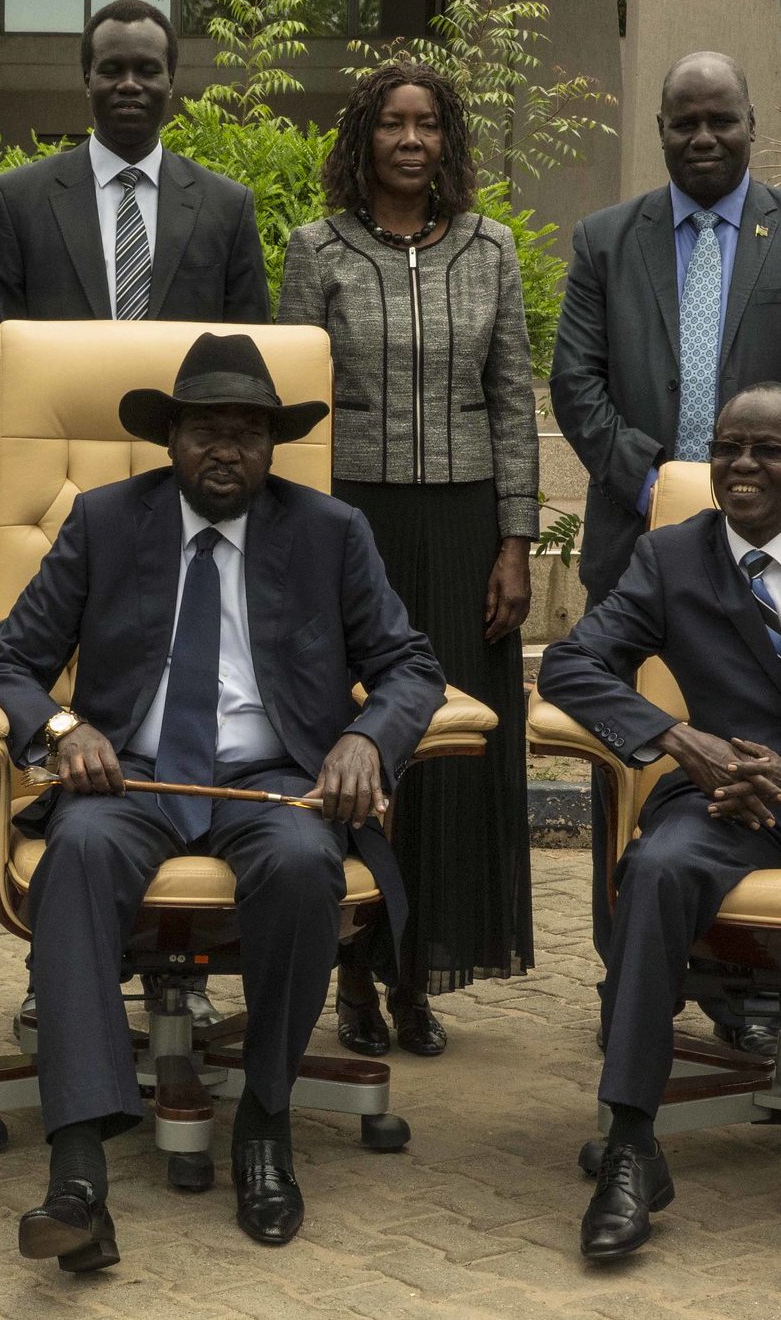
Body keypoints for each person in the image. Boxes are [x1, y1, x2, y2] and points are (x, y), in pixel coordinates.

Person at [0, 331, 445, 1268]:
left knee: (307, 863)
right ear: (170, 440)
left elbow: (408, 665)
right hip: (132, 773)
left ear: (272, 446)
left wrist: (362, 738)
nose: (224, 451)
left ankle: (264, 1125)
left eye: (246, 434)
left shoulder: (327, 531)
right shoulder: (107, 520)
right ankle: (76, 1179)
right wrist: (65, 733)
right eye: (203, 433)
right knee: (79, 852)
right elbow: (7, 659)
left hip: (275, 779)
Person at [277, 59, 537, 1057]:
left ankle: (421, 972)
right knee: (353, 745)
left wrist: (516, 543)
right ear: (364, 137)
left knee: (447, 757)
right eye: (393, 123)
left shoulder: (495, 251)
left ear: (450, 140)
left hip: (467, 528)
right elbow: (295, 412)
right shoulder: (318, 251)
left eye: (430, 124)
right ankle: (351, 969)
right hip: (352, 527)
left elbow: (513, 403)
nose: (412, 140)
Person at [551, 51, 781, 1051]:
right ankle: (633, 997)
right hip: (646, 542)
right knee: (632, 781)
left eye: (719, 121)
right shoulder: (608, 239)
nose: (701, 137)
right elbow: (577, 382)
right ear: (659, 129)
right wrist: (660, 490)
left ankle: (748, 992)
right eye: (682, 122)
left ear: (750, 125)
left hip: (773, 520)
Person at [538, 383, 781, 1260]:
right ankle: (632, 1143)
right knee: (653, 867)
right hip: (722, 803)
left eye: (766, 449)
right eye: (727, 447)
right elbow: (570, 664)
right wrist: (680, 739)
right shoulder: (672, 556)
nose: (742, 464)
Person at [0, 0, 269, 324]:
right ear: (87, 79)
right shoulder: (16, 202)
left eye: (148, 70)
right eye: (112, 69)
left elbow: (250, 343)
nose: (130, 84)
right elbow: (3, 347)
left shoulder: (227, 207)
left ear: (171, 80)